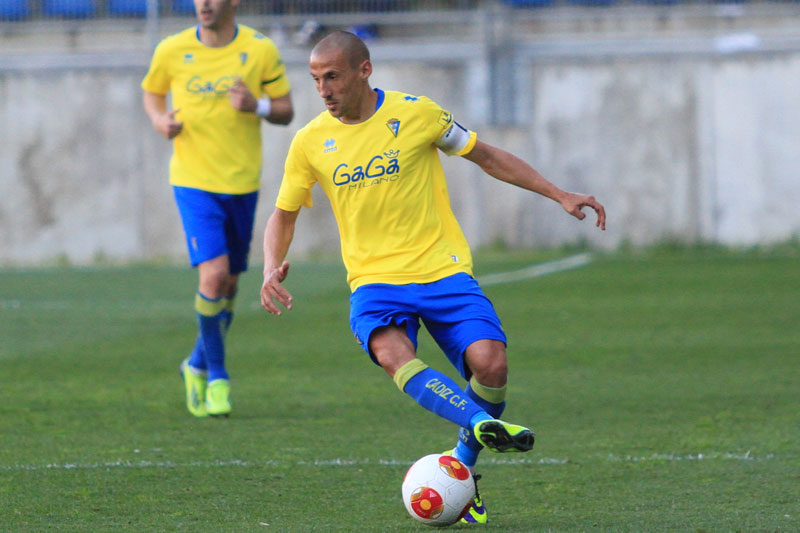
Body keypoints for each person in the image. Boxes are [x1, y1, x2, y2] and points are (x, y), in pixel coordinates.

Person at [260, 31, 605, 523]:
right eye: (316, 79)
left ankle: (463, 466)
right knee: (391, 353)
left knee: (492, 365)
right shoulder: (311, 140)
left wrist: (558, 194)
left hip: (443, 270)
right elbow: (283, 213)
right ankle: (482, 424)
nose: (323, 89)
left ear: (364, 70)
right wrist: (272, 264)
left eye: (332, 76)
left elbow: (487, 157)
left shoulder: (418, 113)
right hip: (374, 281)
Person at [142, 0, 294, 418]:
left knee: (228, 285)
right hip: (193, 181)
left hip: (242, 183)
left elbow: (285, 109)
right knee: (212, 275)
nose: (204, 4)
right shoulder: (171, 49)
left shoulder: (260, 49)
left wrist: (255, 106)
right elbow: (152, 92)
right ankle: (218, 378)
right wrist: (159, 121)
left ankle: (194, 364)